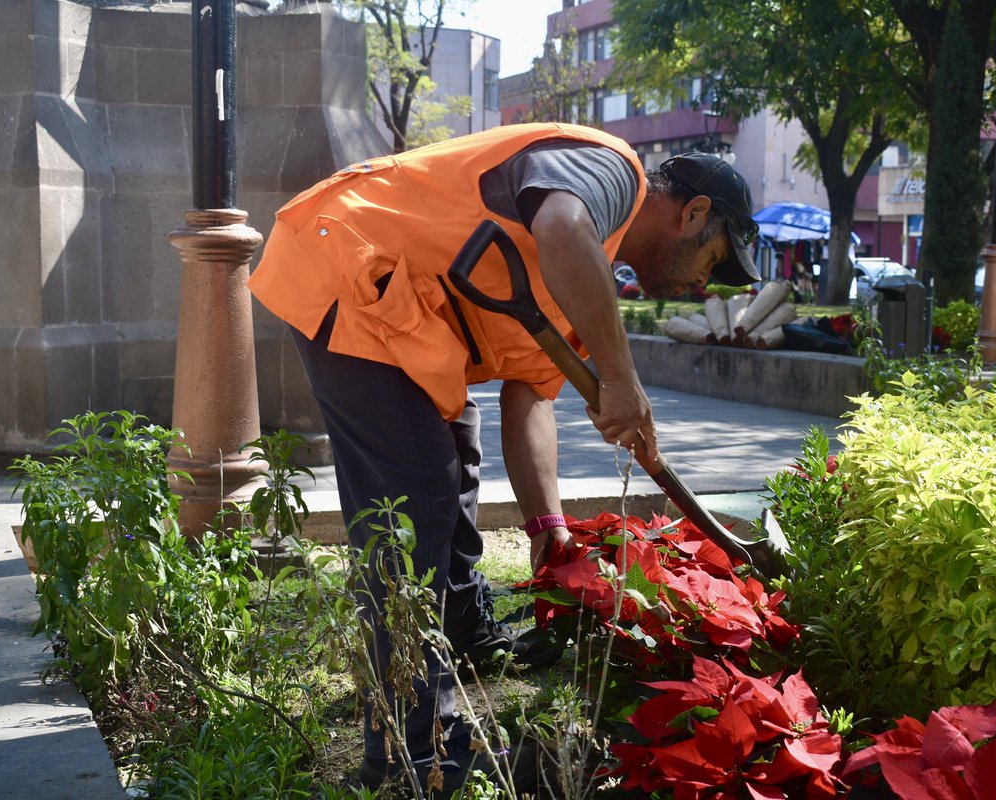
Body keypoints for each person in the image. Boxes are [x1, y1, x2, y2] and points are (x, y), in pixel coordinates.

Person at [246, 123, 760, 795]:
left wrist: (551, 537)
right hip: (353, 264)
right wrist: (622, 377)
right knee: (410, 517)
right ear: (691, 214)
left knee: (454, 456)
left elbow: (531, 402)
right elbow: (560, 224)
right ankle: (414, 755)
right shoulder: (613, 173)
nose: (703, 283)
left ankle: (463, 632)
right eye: (713, 259)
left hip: (407, 315)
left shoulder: (587, 278)